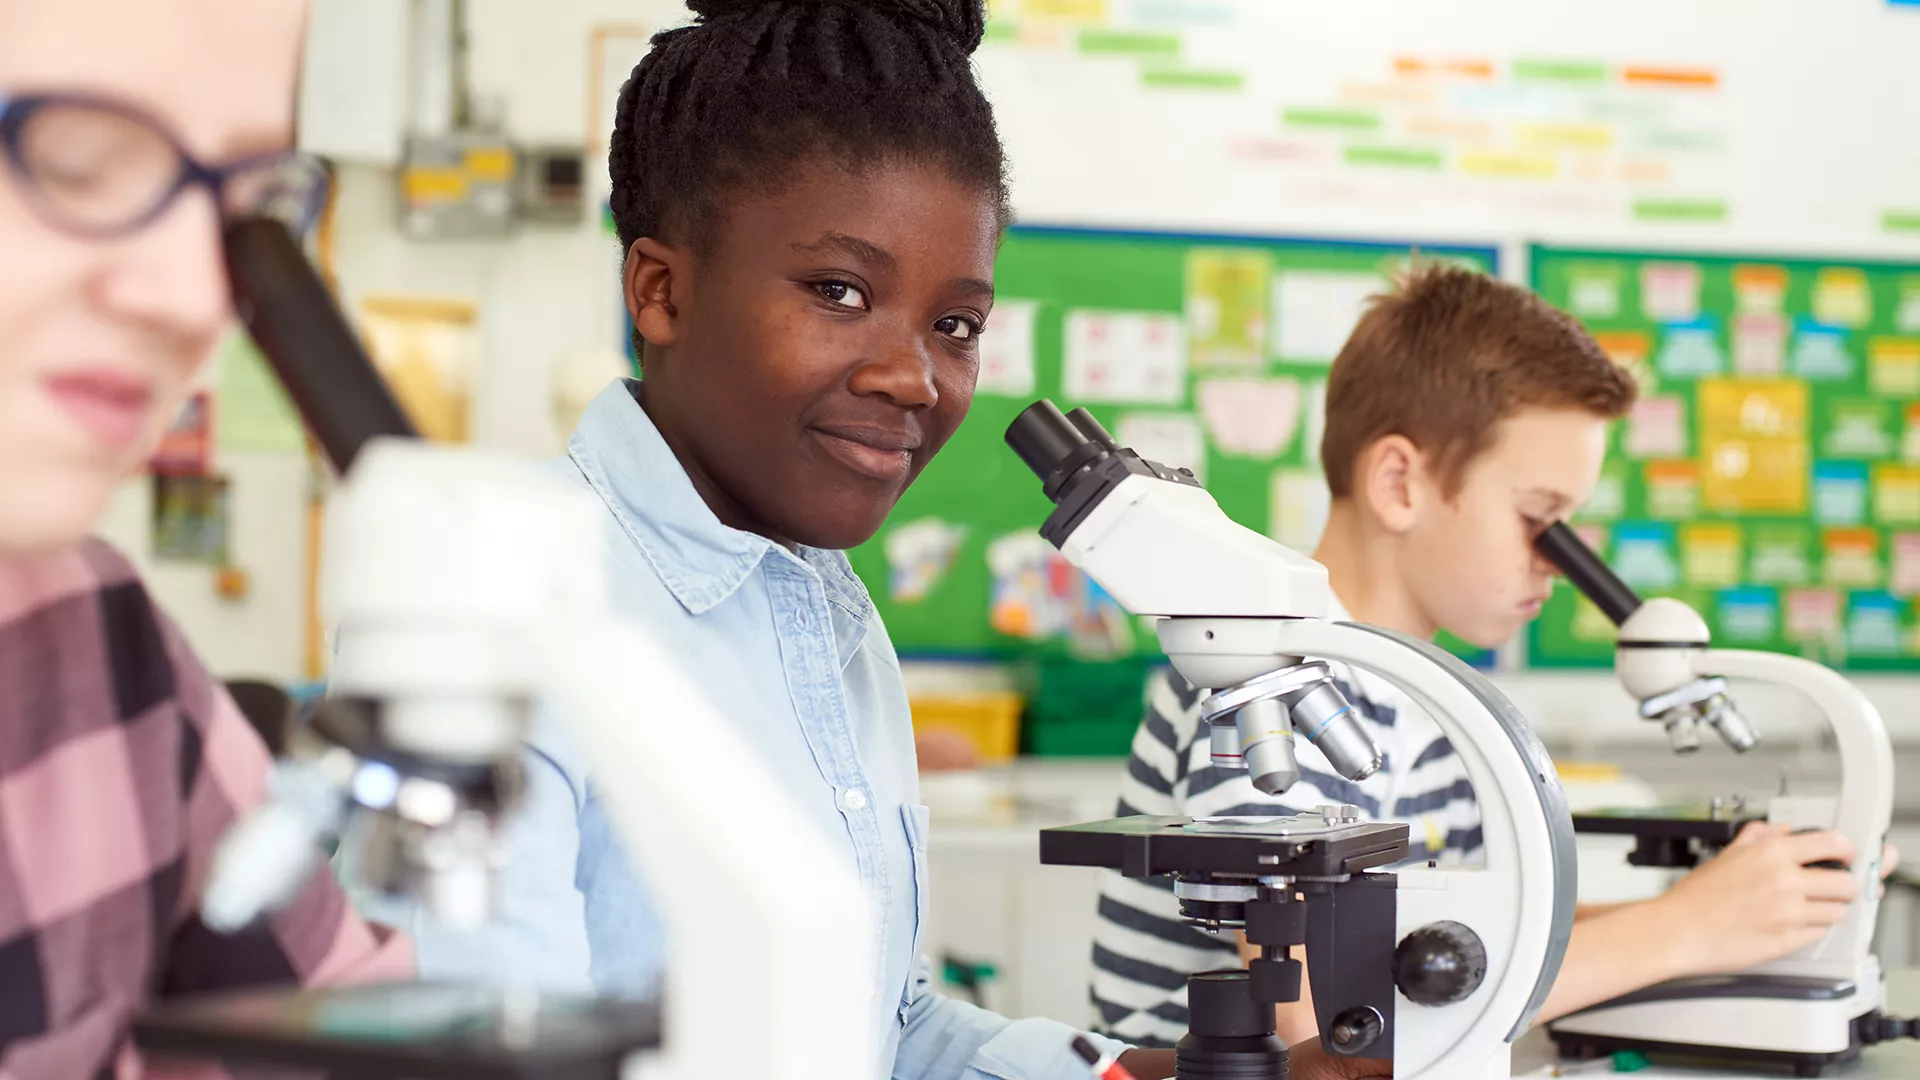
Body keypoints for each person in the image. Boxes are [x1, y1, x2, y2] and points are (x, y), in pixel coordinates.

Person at [337, 2, 1377, 1078]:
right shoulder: (485, 620)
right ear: (660, 290)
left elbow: (886, 1030)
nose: (913, 376)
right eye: (839, 292)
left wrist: (1164, 1076)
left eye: (955, 325)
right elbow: (471, 1059)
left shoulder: (832, 617)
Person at [1089, 264, 1871, 1047]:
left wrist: (1740, 909)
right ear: (1401, 483)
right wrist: (1686, 930)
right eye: (1541, 519)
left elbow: (1448, 945)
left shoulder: (1422, 696)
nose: (1560, 563)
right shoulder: (1273, 680)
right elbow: (1324, 1020)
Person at [0, 0, 412, 1075]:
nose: (196, 298)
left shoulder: (95, 635)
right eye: (79, 163)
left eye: (240, 208)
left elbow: (344, 1031)